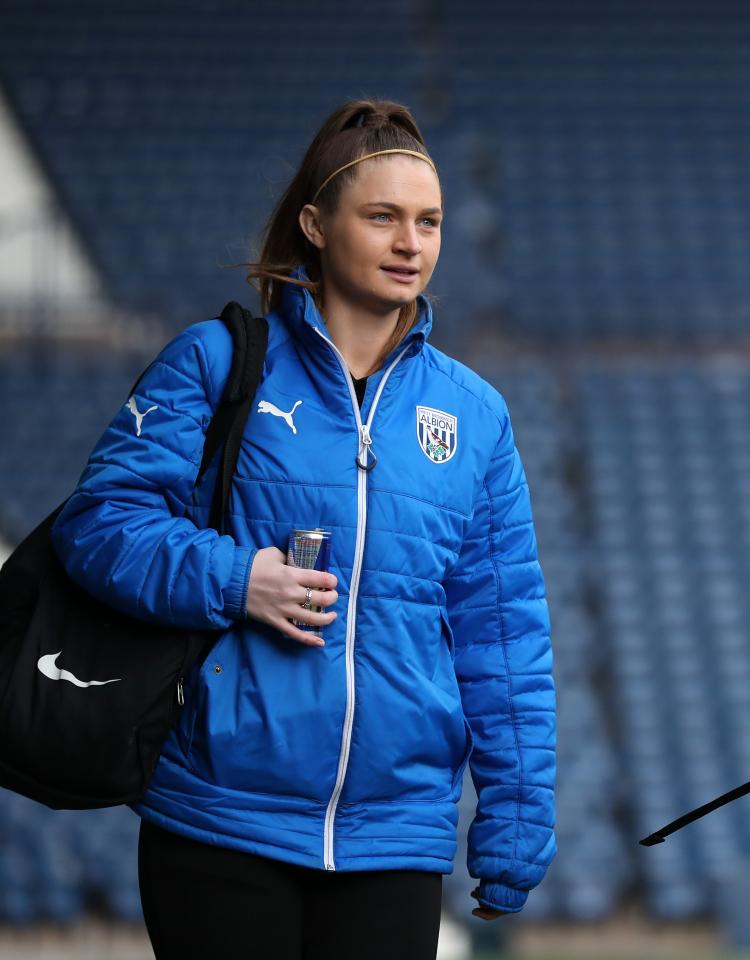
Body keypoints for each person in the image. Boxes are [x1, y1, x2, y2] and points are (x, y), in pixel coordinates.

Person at [51, 100, 555, 959]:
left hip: (395, 836)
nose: (410, 243)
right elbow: (100, 524)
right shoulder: (215, 362)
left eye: (429, 221)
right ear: (316, 226)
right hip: (221, 817)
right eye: (382, 217)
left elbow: (502, 632)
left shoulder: (474, 415)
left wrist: (516, 818)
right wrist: (237, 579)